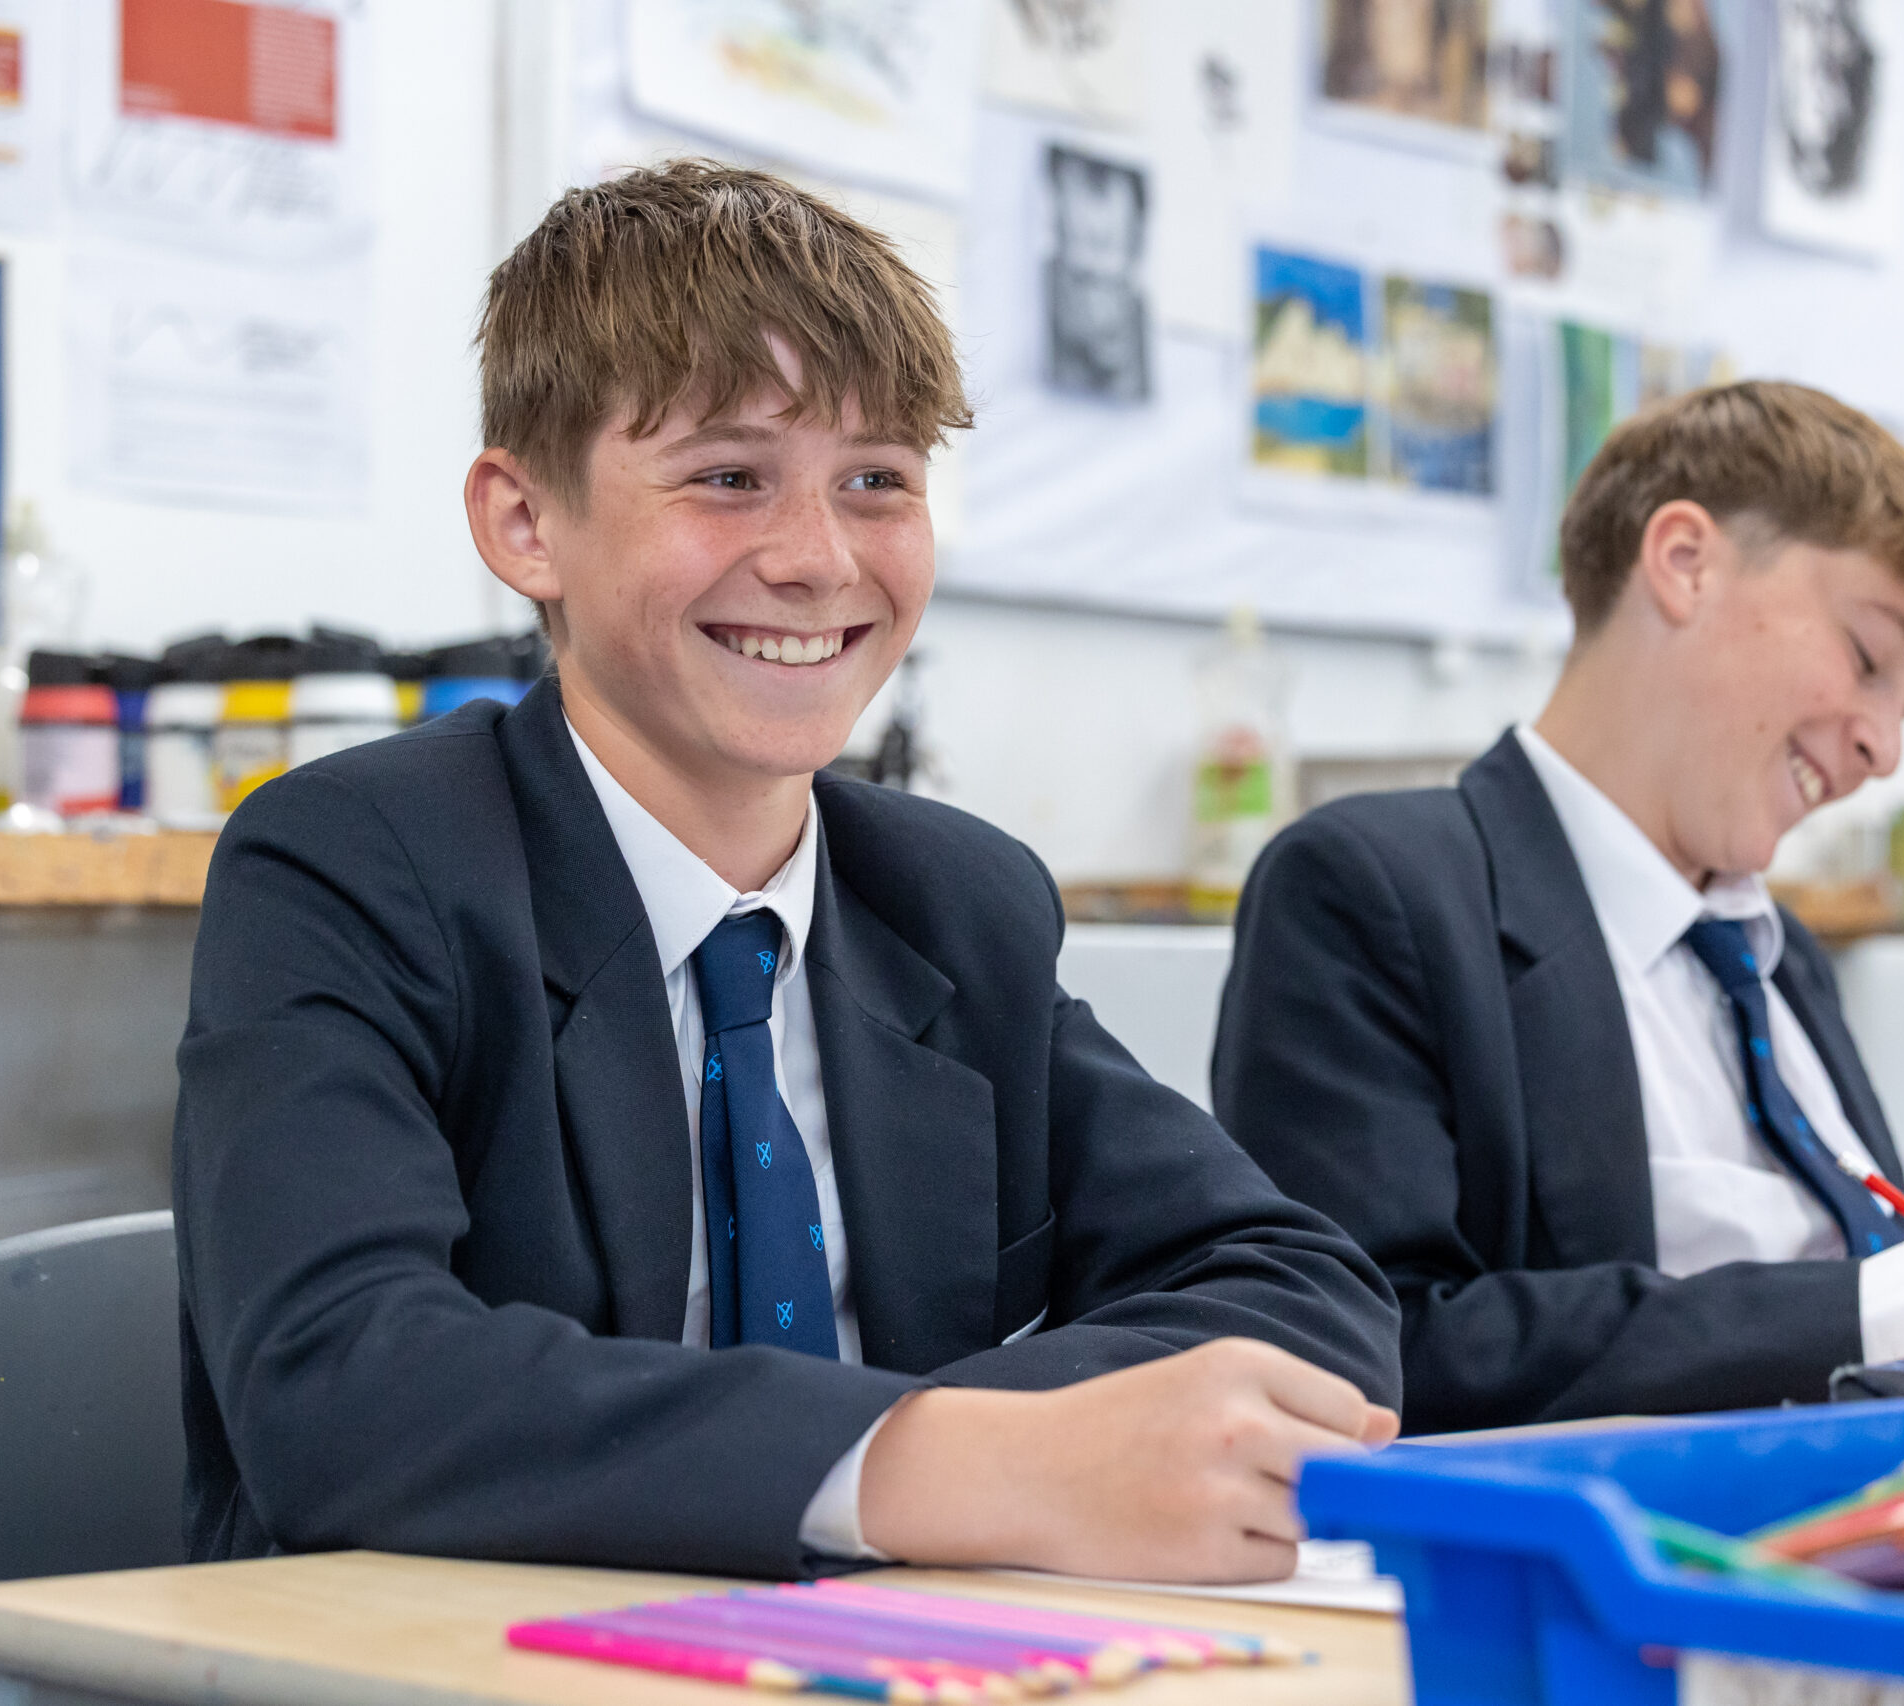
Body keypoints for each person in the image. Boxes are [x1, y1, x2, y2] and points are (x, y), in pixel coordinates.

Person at [172, 160, 1401, 1585]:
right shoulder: (355, 867)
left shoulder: (953, 901)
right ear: (526, 524)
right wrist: (946, 1465)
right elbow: (344, 1386)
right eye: (728, 477)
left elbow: (1306, 1292)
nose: (819, 560)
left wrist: (951, 1454)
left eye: (878, 480)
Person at [1211, 381, 1904, 1435]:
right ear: (1683, 562)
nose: (1885, 745)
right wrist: (1876, 1310)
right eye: (1869, 659)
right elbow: (1372, 1345)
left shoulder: (1778, 962)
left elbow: (1868, 1305)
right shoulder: (1375, 892)